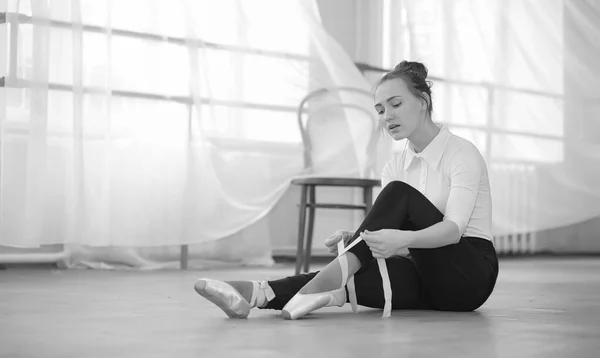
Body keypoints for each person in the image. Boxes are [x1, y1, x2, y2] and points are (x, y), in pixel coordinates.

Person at [194, 60, 499, 320]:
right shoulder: (394, 165)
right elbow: (400, 243)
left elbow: (452, 232)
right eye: (380, 110)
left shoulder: (461, 153)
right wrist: (360, 238)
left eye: (395, 104)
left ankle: (325, 285)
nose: (386, 116)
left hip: (468, 278)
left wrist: (400, 238)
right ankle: (257, 293)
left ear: (423, 102)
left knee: (398, 194)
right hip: (426, 278)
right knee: (355, 272)